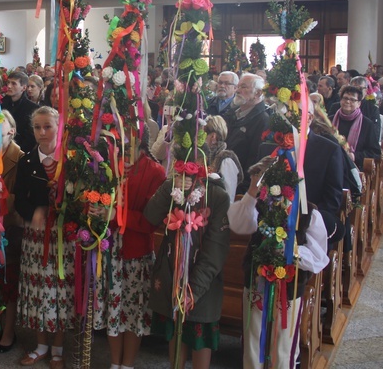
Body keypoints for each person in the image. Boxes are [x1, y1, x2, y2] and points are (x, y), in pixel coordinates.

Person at [228, 157, 329, 369]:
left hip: (289, 286)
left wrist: (291, 251)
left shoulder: (308, 213)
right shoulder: (260, 205)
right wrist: (251, 194)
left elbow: (319, 257)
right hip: (257, 280)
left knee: (284, 347)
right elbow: (238, 224)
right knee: (252, 343)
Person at [145, 173, 231, 369]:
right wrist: (169, 187)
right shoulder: (173, 188)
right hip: (172, 275)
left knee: (200, 337)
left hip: (203, 284)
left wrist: (195, 289)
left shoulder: (217, 195)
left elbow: (216, 249)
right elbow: (150, 216)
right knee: (176, 331)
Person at [97, 135, 166, 369]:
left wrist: (115, 215)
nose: (121, 146)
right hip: (109, 249)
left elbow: (150, 221)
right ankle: (114, 363)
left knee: (133, 313)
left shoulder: (155, 172)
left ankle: (127, 365)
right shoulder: (107, 164)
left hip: (136, 253)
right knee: (112, 310)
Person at [15, 106, 73, 369]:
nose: (42, 132)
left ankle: (58, 350)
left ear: (58, 127)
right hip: (36, 238)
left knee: (61, 293)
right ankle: (40, 346)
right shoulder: (27, 162)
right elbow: (19, 202)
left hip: (63, 238)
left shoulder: (70, 160)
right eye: (37, 127)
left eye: (47, 126)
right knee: (39, 292)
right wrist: (34, 213)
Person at [0, 110, 24, 353]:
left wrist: (1, 199)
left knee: (9, 282)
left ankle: (8, 331)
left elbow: (21, 198)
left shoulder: (20, 158)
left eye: (0, 127)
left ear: (11, 131)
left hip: (10, 227)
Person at [224, 73, 269, 194]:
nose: (238, 90)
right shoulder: (232, 113)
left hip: (239, 185)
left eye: (243, 87)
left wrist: (244, 189)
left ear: (258, 93)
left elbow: (254, 158)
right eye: (238, 86)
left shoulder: (263, 121)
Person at [333, 85, 381, 169]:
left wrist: (354, 156)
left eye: (352, 100)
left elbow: (375, 152)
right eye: (345, 98)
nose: (347, 102)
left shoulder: (366, 124)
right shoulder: (331, 120)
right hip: (332, 164)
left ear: (359, 103)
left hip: (355, 167)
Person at [204, 115, 242, 202]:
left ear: (213, 136)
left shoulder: (226, 160)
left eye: (203, 134)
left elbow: (228, 197)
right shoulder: (207, 156)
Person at [1, 71, 39, 154]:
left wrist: (16, 152)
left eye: (14, 84)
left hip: (20, 153)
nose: (9, 86)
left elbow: (31, 137)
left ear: (24, 88)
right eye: (8, 82)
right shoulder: (0, 104)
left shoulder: (32, 108)